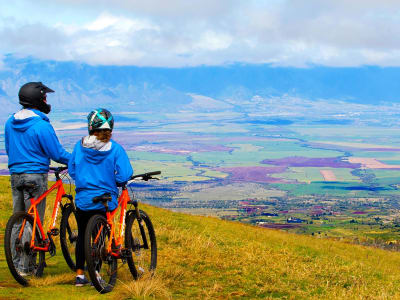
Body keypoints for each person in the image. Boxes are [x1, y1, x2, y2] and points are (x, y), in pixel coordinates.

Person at [5, 82, 71, 275]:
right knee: (33, 221)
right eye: (45, 98)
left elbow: (9, 149)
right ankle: (26, 268)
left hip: (15, 175)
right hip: (35, 175)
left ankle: (16, 265)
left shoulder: (10, 122)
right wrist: (76, 159)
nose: (46, 101)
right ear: (38, 100)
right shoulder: (41, 125)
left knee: (18, 220)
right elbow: (56, 153)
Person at [68, 108, 133, 286]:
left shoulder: (79, 146)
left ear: (90, 127)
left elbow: (72, 170)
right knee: (101, 234)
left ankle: (80, 275)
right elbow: (124, 175)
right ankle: (97, 272)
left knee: (82, 235)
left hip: (83, 199)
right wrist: (113, 181)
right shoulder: (116, 149)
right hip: (106, 199)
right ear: (110, 127)